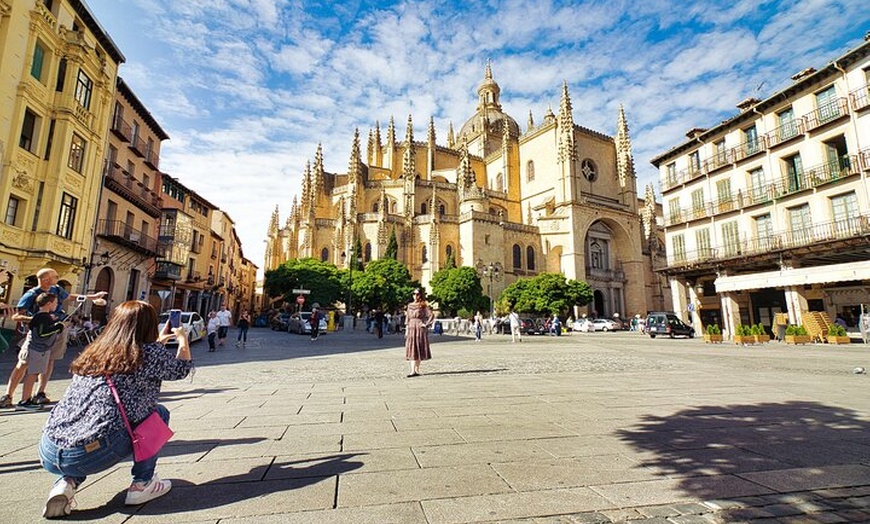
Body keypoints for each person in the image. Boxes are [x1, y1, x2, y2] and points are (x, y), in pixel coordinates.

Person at [38, 300, 192, 518]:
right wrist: (182, 340)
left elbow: (131, 358)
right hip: (94, 453)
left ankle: (66, 482)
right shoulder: (148, 354)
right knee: (159, 414)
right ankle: (142, 484)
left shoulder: (95, 351)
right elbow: (181, 369)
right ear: (149, 325)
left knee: (86, 430)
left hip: (50, 450)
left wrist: (157, 342)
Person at [0, 268, 105, 408]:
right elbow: (16, 316)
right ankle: (9, 395)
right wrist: (40, 319)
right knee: (23, 364)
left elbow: (70, 297)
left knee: (49, 361)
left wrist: (92, 297)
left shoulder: (56, 289)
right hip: (39, 335)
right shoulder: (32, 294)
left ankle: (40, 393)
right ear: (46, 279)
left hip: (57, 331)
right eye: (55, 276)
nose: (58, 277)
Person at [3, 293, 65, 411]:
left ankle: (13, 397)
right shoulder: (43, 317)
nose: (56, 305)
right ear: (49, 304)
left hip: (30, 347)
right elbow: (42, 333)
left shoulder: (39, 316)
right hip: (37, 349)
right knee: (32, 374)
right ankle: (25, 400)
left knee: (21, 367)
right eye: (55, 303)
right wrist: (57, 327)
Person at [405, 289, 433, 377]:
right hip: (411, 327)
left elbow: (431, 315)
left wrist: (426, 324)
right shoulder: (409, 306)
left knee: (419, 347)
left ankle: (416, 370)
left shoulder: (423, 305)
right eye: (414, 294)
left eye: (417, 294)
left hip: (420, 328)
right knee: (412, 347)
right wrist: (406, 329)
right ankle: (412, 370)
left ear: (420, 295)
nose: (415, 296)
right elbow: (407, 318)